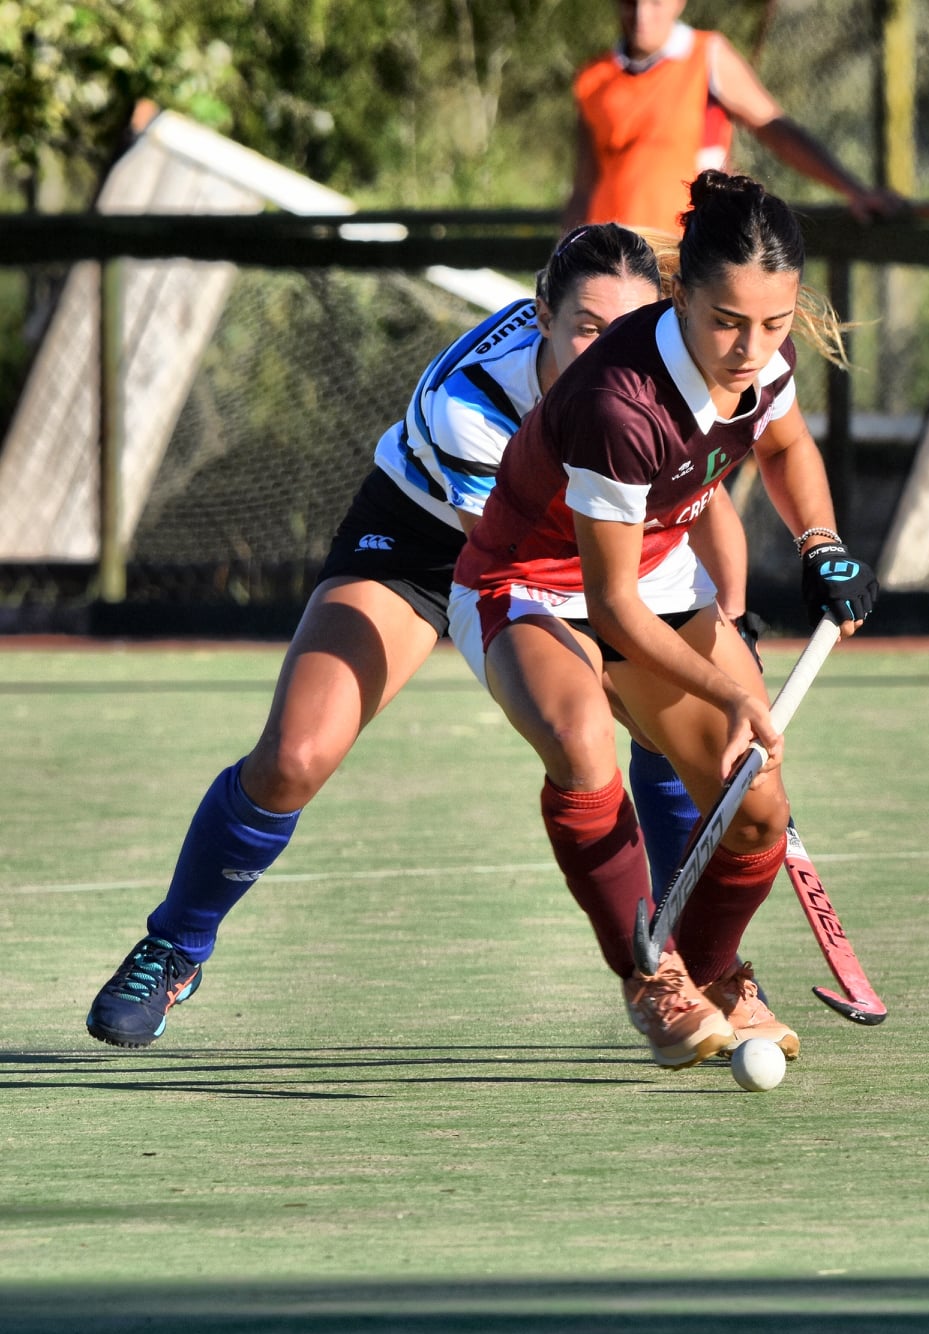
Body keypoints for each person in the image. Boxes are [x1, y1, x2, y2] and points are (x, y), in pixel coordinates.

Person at [83, 226, 676, 1049]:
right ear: (542, 313)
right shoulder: (471, 401)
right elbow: (516, 565)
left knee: (669, 726)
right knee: (294, 755)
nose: (606, 352)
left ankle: (688, 957)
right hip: (432, 540)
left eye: (627, 330)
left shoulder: (671, 370)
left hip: (595, 545)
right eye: (586, 327)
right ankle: (176, 944)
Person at [455, 171, 877, 1071]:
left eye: (773, 323)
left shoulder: (763, 361)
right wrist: (731, 692)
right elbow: (607, 610)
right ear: (681, 292)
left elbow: (787, 444)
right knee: (581, 741)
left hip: (654, 575)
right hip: (526, 582)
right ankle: (651, 978)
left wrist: (820, 542)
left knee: (758, 811)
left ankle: (717, 971)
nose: (748, 347)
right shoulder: (621, 405)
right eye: (727, 321)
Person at [565, 0, 901, 235]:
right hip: (614, 262)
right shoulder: (593, 78)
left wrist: (852, 189)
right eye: (629, 2)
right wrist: (564, 259)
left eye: (654, 2)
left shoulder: (706, 55)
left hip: (685, 255)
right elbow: (584, 186)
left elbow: (775, 128)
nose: (641, 14)